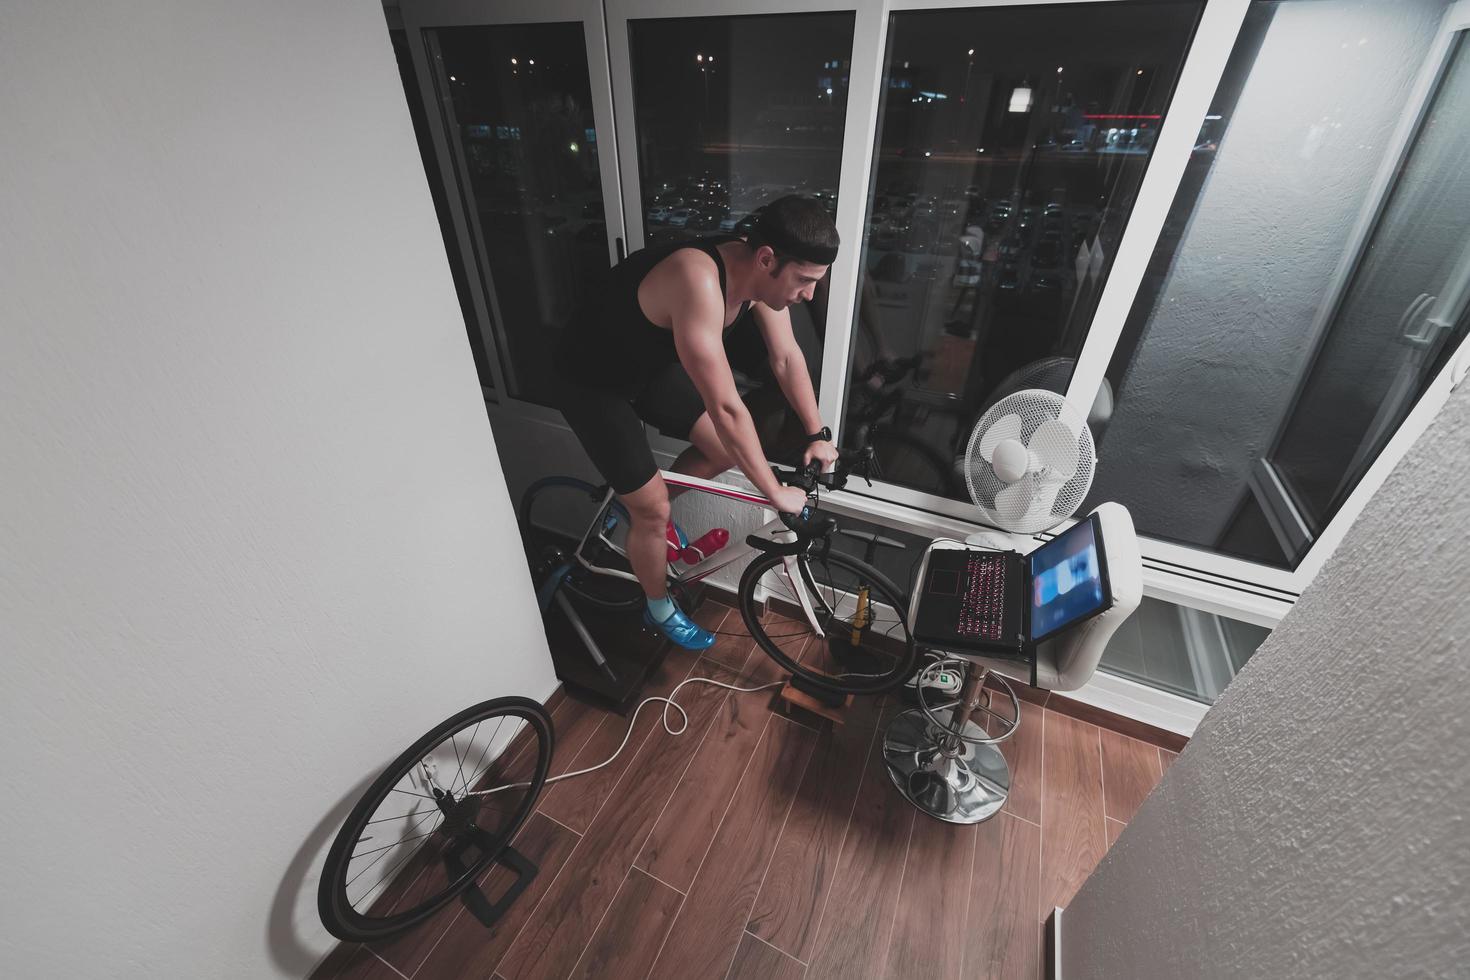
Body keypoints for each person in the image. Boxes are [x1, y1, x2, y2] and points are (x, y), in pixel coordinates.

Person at [555, 196, 841, 650]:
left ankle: (638, 509)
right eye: (804, 281)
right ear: (767, 259)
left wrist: (816, 433)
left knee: (720, 453)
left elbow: (786, 358)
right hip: (592, 381)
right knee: (653, 509)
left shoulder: (759, 278)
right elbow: (727, 408)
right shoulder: (699, 278)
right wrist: (774, 491)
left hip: (646, 367)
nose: (808, 296)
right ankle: (658, 604)